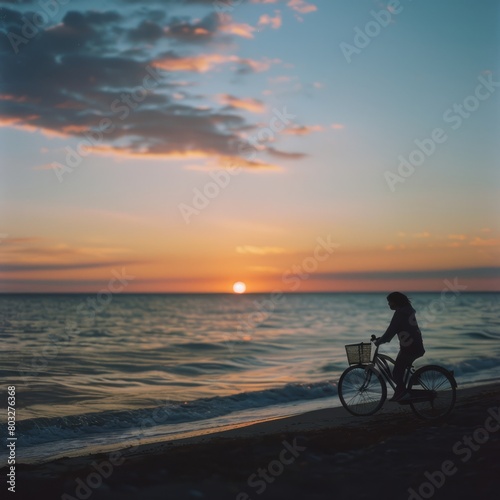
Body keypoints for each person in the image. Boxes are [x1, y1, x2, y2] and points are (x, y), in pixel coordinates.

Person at [374, 292, 425, 401]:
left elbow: (391, 331)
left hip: (410, 348)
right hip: (415, 346)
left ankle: (403, 393)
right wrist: (383, 339)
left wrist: (379, 341)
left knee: (396, 373)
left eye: (390, 302)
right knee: (401, 370)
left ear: (396, 302)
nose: (389, 304)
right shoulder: (408, 311)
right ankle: (402, 391)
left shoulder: (400, 313)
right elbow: (394, 330)